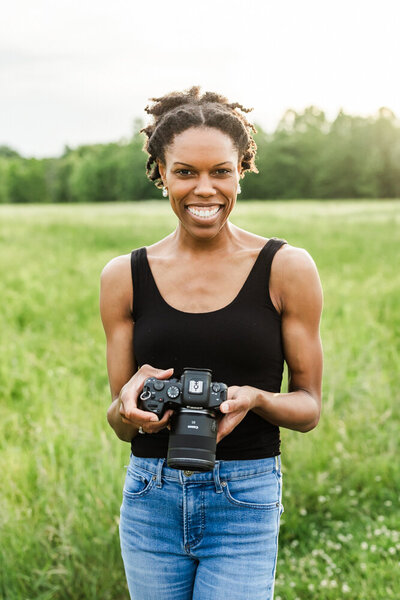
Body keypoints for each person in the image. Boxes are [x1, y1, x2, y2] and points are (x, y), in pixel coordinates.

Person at [100, 86, 323, 600]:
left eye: (221, 171)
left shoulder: (286, 268)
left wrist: (258, 398)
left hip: (244, 497)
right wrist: (131, 410)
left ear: (242, 170)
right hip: (150, 496)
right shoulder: (123, 277)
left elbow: (309, 407)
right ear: (160, 173)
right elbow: (119, 423)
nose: (205, 189)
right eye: (185, 172)